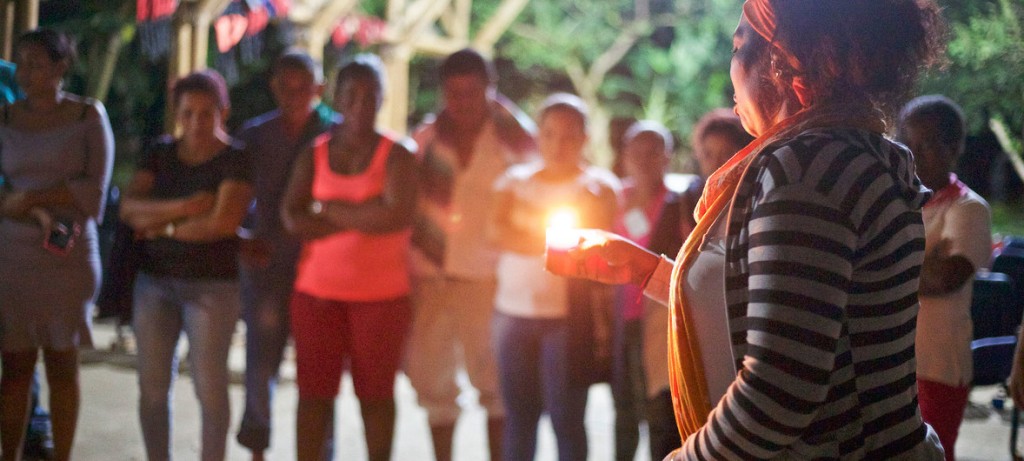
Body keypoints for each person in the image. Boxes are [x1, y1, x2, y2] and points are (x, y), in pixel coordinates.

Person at [556, 0, 947, 458]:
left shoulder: (804, 171)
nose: (730, 70)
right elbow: (787, 312)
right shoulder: (857, 151)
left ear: (785, 61)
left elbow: (778, 393)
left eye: (740, 47)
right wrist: (648, 272)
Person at [280, 54, 417, 461]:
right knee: (314, 397)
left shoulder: (399, 154)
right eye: (351, 94)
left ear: (383, 98)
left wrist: (326, 210)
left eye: (370, 95)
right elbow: (291, 217)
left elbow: (397, 216)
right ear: (336, 98)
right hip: (316, 295)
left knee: (375, 398)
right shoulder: (315, 153)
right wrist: (366, 212)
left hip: (382, 300)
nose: (360, 104)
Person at [404, 47, 536, 461]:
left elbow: (535, 199)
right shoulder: (426, 140)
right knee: (431, 379)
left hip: (489, 280)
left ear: (489, 90)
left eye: (471, 92)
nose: (461, 102)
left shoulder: (515, 140)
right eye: (453, 93)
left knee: (494, 383)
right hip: (432, 275)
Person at [119, 69, 252, 461]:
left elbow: (221, 224)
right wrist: (183, 208)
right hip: (155, 283)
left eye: (206, 112)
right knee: (153, 385)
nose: (197, 122)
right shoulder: (160, 153)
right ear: (177, 113)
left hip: (212, 286)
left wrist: (160, 226)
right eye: (189, 112)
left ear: (222, 112)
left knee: (210, 387)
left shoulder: (235, 160)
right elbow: (128, 210)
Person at [0, 29, 114, 461]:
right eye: (22, 63)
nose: (25, 73)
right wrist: (29, 209)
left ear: (61, 68)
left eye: (37, 64)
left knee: (63, 364)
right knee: (14, 366)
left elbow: (94, 190)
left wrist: (31, 199)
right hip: (13, 256)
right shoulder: (5, 118)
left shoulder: (88, 116)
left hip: (66, 257)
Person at [488, 93, 618, 461]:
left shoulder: (598, 186)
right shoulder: (512, 180)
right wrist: (552, 241)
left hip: (567, 320)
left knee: (567, 417)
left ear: (583, 139)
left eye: (569, 136)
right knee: (519, 417)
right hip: (512, 314)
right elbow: (495, 233)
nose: (558, 145)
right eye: (549, 134)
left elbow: (593, 239)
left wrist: (527, 229)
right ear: (538, 136)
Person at [618, 112, 752, 461]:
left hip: (734, 332)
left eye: (726, 152)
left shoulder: (756, 203)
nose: (717, 162)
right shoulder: (687, 200)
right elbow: (662, 265)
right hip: (673, 324)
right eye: (708, 154)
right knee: (664, 418)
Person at [233, 50, 337, 461]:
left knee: (320, 370)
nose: (294, 94)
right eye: (285, 86)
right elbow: (235, 195)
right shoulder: (254, 134)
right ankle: (256, 448)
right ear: (273, 86)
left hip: (320, 265)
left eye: (303, 86)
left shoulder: (336, 132)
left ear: (320, 88)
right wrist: (242, 238)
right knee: (261, 362)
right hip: (266, 261)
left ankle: (320, 452)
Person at [896, 95, 992, 461]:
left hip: (938, 367)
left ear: (954, 148)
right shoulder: (905, 204)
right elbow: (927, 273)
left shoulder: (968, 208)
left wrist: (886, 263)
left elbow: (944, 279)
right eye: (910, 145)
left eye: (929, 144)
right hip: (897, 364)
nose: (916, 156)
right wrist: (921, 262)